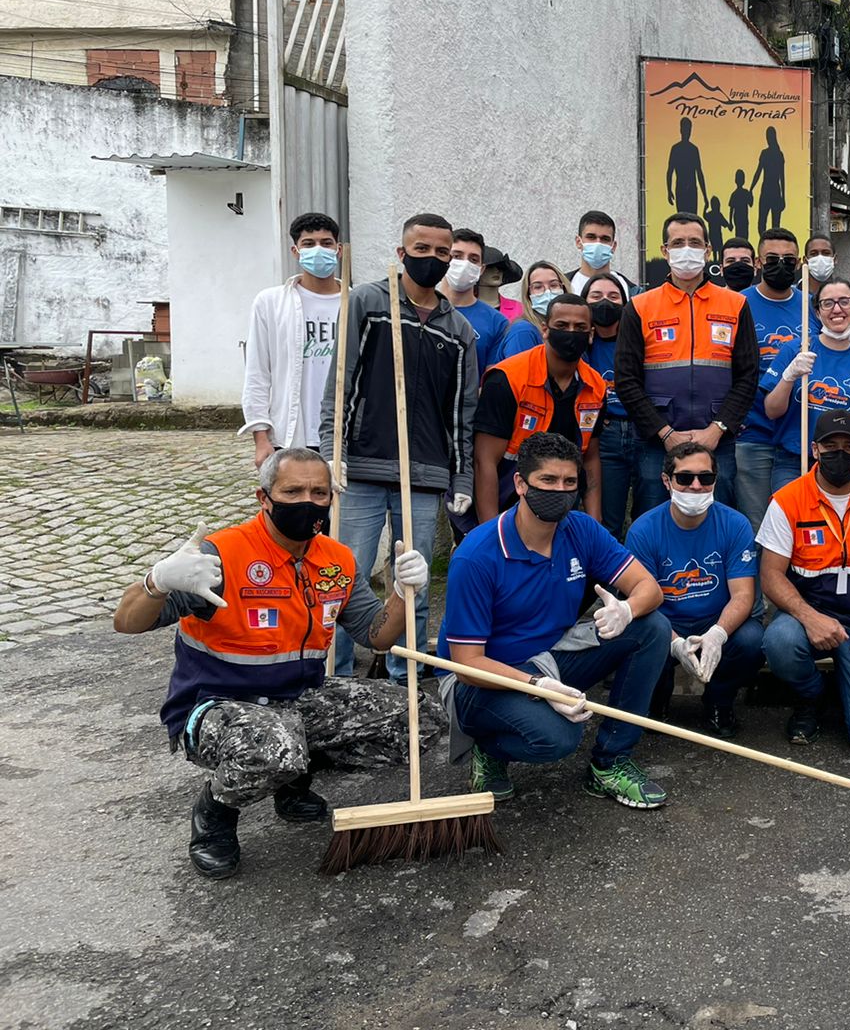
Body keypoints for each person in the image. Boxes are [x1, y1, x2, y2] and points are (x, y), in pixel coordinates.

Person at [111, 448, 436, 878]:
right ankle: (215, 814)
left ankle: (291, 777)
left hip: (298, 699)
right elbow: (126, 624)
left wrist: (402, 592)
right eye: (293, 490)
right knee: (274, 744)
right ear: (264, 497)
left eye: (319, 492)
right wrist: (156, 582)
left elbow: (376, 635)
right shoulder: (220, 557)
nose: (308, 501)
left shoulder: (336, 560)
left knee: (418, 717)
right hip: (215, 705)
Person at [438, 432, 670, 806]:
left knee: (651, 627)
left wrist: (627, 608)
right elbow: (467, 665)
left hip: (550, 656)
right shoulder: (477, 555)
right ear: (520, 483)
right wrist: (537, 686)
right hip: (482, 681)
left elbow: (649, 588)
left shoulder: (580, 529)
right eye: (547, 481)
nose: (560, 491)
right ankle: (488, 749)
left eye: (569, 483)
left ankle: (610, 763)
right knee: (557, 738)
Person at [320, 212, 478, 679]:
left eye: (442, 252)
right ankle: (339, 675)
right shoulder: (368, 302)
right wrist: (333, 453)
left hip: (425, 474)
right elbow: (340, 385)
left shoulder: (459, 330)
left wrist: (460, 476)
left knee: (413, 578)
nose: (432, 259)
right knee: (347, 575)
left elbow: (461, 413)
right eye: (422, 249)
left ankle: (404, 674)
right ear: (402, 252)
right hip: (363, 467)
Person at [758, 411, 850, 751]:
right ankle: (812, 696)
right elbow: (770, 575)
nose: (840, 453)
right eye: (830, 446)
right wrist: (810, 618)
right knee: (778, 641)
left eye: (849, 446)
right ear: (814, 450)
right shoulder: (787, 500)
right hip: (808, 614)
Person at [614, 213, 758, 515]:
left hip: (718, 440)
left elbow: (747, 376)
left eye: (694, 242)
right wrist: (664, 432)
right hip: (657, 443)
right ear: (665, 251)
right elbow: (626, 380)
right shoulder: (639, 307)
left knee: (720, 519)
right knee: (652, 519)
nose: (686, 249)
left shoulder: (736, 304)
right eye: (678, 242)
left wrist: (717, 429)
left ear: (708, 250)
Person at [626, 443, 764, 738]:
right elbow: (641, 600)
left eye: (706, 477)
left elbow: (743, 595)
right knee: (640, 631)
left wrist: (718, 633)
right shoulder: (643, 530)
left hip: (714, 618)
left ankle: (719, 700)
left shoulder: (735, 524)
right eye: (685, 478)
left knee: (752, 640)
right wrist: (674, 641)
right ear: (667, 481)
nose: (696, 486)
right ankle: (656, 700)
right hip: (664, 621)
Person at [474, 294, 606, 526]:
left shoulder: (596, 386)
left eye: (580, 327)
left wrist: (595, 522)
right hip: (509, 499)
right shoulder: (508, 379)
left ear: (591, 334)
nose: (571, 333)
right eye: (562, 326)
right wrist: (490, 531)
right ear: (545, 329)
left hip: (563, 501)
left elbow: (591, 457)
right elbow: (484, 460)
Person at [761, 277, 850, 491]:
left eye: (844, 301)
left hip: (847, 464)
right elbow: (771, 411)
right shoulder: (796, 350)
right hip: (795, 462)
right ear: (817, 312)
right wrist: (789, 376)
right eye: (827, 303)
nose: (837, 309)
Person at [241, 211, 344, 467]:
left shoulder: (357, 302)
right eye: (309, 244)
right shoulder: (271, 303)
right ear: (295, 251)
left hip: (343, 435)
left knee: (339, 506)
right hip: (290, 433)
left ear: (339, 250)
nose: (318, 249)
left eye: (326, 243)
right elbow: (257, 372)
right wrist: (261, 438)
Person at [733, 227, 805, 532]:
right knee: (758, 526)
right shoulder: (736, 304)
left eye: (789, 260)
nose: (781, 265)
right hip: (752, 434)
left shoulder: (809, 306)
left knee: (795, 526)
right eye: (772, 258)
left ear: (799, 263)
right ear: (759, 262)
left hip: (796, 438)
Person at [583, 275, 635, 538]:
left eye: (613, 296)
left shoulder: (637, 339)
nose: (605, 302)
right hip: (604, 437)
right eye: (596, 296)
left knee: (646, 513)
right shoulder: (579, 344)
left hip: (642, 432)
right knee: (608, 521)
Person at [445, 227, 509, 374]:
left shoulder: (497, 322)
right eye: (457, 256)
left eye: (473, 259)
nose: (465, 264)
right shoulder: (424, 310)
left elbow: (490, 380)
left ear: (481, 269)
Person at [568, 210, 637, 298]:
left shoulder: (632, 292)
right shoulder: (562, 286)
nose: (598, 243)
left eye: (605, 239)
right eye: (591, 237)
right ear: (578, 242)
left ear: (613, 246)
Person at [667, 117, 708, 215]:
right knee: (682, 219)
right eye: (686, 129)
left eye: (689, 129)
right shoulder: (676, 149)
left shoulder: (694, 150)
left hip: (692, 190)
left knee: (692, 219)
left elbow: (699, 173)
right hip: (681, 189)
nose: (688, 132)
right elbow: (670, 171)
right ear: (681, 130)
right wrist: (669, 190)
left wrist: (705, 196)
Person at [752, 126, 786, 235]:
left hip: (774, 190)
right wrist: (751, 188)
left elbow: (782, 177)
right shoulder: (766, 153)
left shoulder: (778, 154)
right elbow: (758, 172)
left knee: (774, 224)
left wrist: (783, 197)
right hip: (768, 189)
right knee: (762, 222)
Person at [480, 245, 525, 323]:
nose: (497, 271)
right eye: (490, 267)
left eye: (501, 267)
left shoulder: (519, 308)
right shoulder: (465, 307)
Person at [728, 169, 754, 238]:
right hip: (740, 219)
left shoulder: (736, 194)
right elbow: (731, 209)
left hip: (742, 219)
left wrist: (730, 222)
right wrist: (730, 222)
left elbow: (750, 204)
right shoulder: (738, 194)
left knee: (742, 236)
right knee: (741, 236)